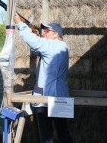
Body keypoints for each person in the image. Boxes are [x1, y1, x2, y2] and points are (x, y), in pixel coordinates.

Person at [14, 13, 73, 143]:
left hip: (46, 98)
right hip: (59, 96)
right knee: (63, 132)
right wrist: (35, 34)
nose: (44, 33)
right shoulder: (60, 46)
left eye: (47, 30)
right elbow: (38, 49)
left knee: (47, 135)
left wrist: (20, 24)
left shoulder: (55, 46)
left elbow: (35, 44)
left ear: (56, 34)